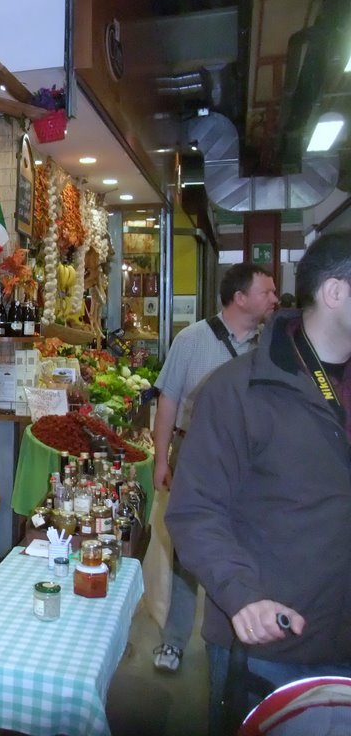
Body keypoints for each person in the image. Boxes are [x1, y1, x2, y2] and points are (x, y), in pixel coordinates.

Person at [166, 231, 351, 729]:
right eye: (263, 290)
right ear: (336, 293)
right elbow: (194, 509)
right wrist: (241, 593)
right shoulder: (237, 390)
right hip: (270, 647)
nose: (272, 298)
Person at [149, 262, 277, 673]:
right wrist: (162, 458)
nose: (275, 299)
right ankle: (174, 640)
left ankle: (232, 640)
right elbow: (167, 400)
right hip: (196, 453)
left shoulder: (271, 347)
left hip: (252, 460)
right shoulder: (191, 339)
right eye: (267, 292)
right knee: (191, 549)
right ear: (240, 298)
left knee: (245, 545)